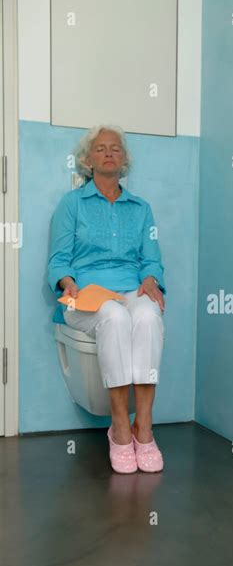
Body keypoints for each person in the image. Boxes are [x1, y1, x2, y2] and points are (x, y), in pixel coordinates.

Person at [47, 124, 167, 474]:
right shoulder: (72, 204)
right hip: (85, 297)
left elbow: (152, 259)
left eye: (115, 147)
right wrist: (67, 282)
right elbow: (58, 260)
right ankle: (118, 429)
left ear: (124, 159)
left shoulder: (141, 209)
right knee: (114, 316)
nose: (109, 152)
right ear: (87, 160)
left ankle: (143, 429)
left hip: (131, 290)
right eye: (100, 148)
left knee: (146, 316)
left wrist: (150, 280)